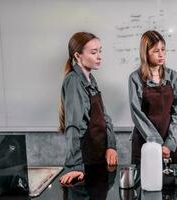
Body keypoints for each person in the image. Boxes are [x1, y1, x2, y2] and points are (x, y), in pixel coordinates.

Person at [58, 32, 118, 185]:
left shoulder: (90, 79)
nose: (99, 56)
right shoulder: (74, 81)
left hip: (99, 157)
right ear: (78, 56)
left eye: (100, 51)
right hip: (85, 163)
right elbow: (74, 125)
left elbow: (104, 116)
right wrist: (75, 166)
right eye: (93, 52)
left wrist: (111, 145)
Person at [128, 30, 177, 165]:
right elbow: (137, 114)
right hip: (145, 142)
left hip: (169, 143)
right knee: (144, 183)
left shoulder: (173, 77)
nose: (161, 54)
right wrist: (156, 143)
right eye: (155, 51)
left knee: (172, 183)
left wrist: (169, 144)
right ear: (145, 53)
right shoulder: (135, 78)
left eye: (163, 49)